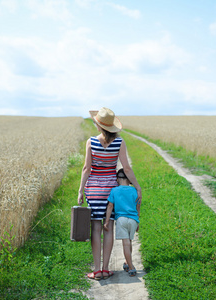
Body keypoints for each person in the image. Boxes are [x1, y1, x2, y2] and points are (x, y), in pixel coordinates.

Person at [78, 107, 142, 280]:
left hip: (93, 190)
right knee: (109, 229)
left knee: (96, 228)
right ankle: (106, 269)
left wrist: (80, 190)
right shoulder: (119, 142)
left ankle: (97, 270)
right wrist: (137, 186)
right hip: (110, 190)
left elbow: (87, 168)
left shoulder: (91, 142)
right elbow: (126, 168)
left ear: (99, 126)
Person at [104, 168, 140, 277]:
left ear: (117, 179)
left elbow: (110, 206)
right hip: (133, 220)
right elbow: (138, 206)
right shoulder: (134, 190)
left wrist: (106, 222)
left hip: (121, 220)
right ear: (129, 180)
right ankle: (126, 262)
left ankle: (131, 267)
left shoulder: (114, 190)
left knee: (125, 243)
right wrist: (138, 222)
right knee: (129, 242)